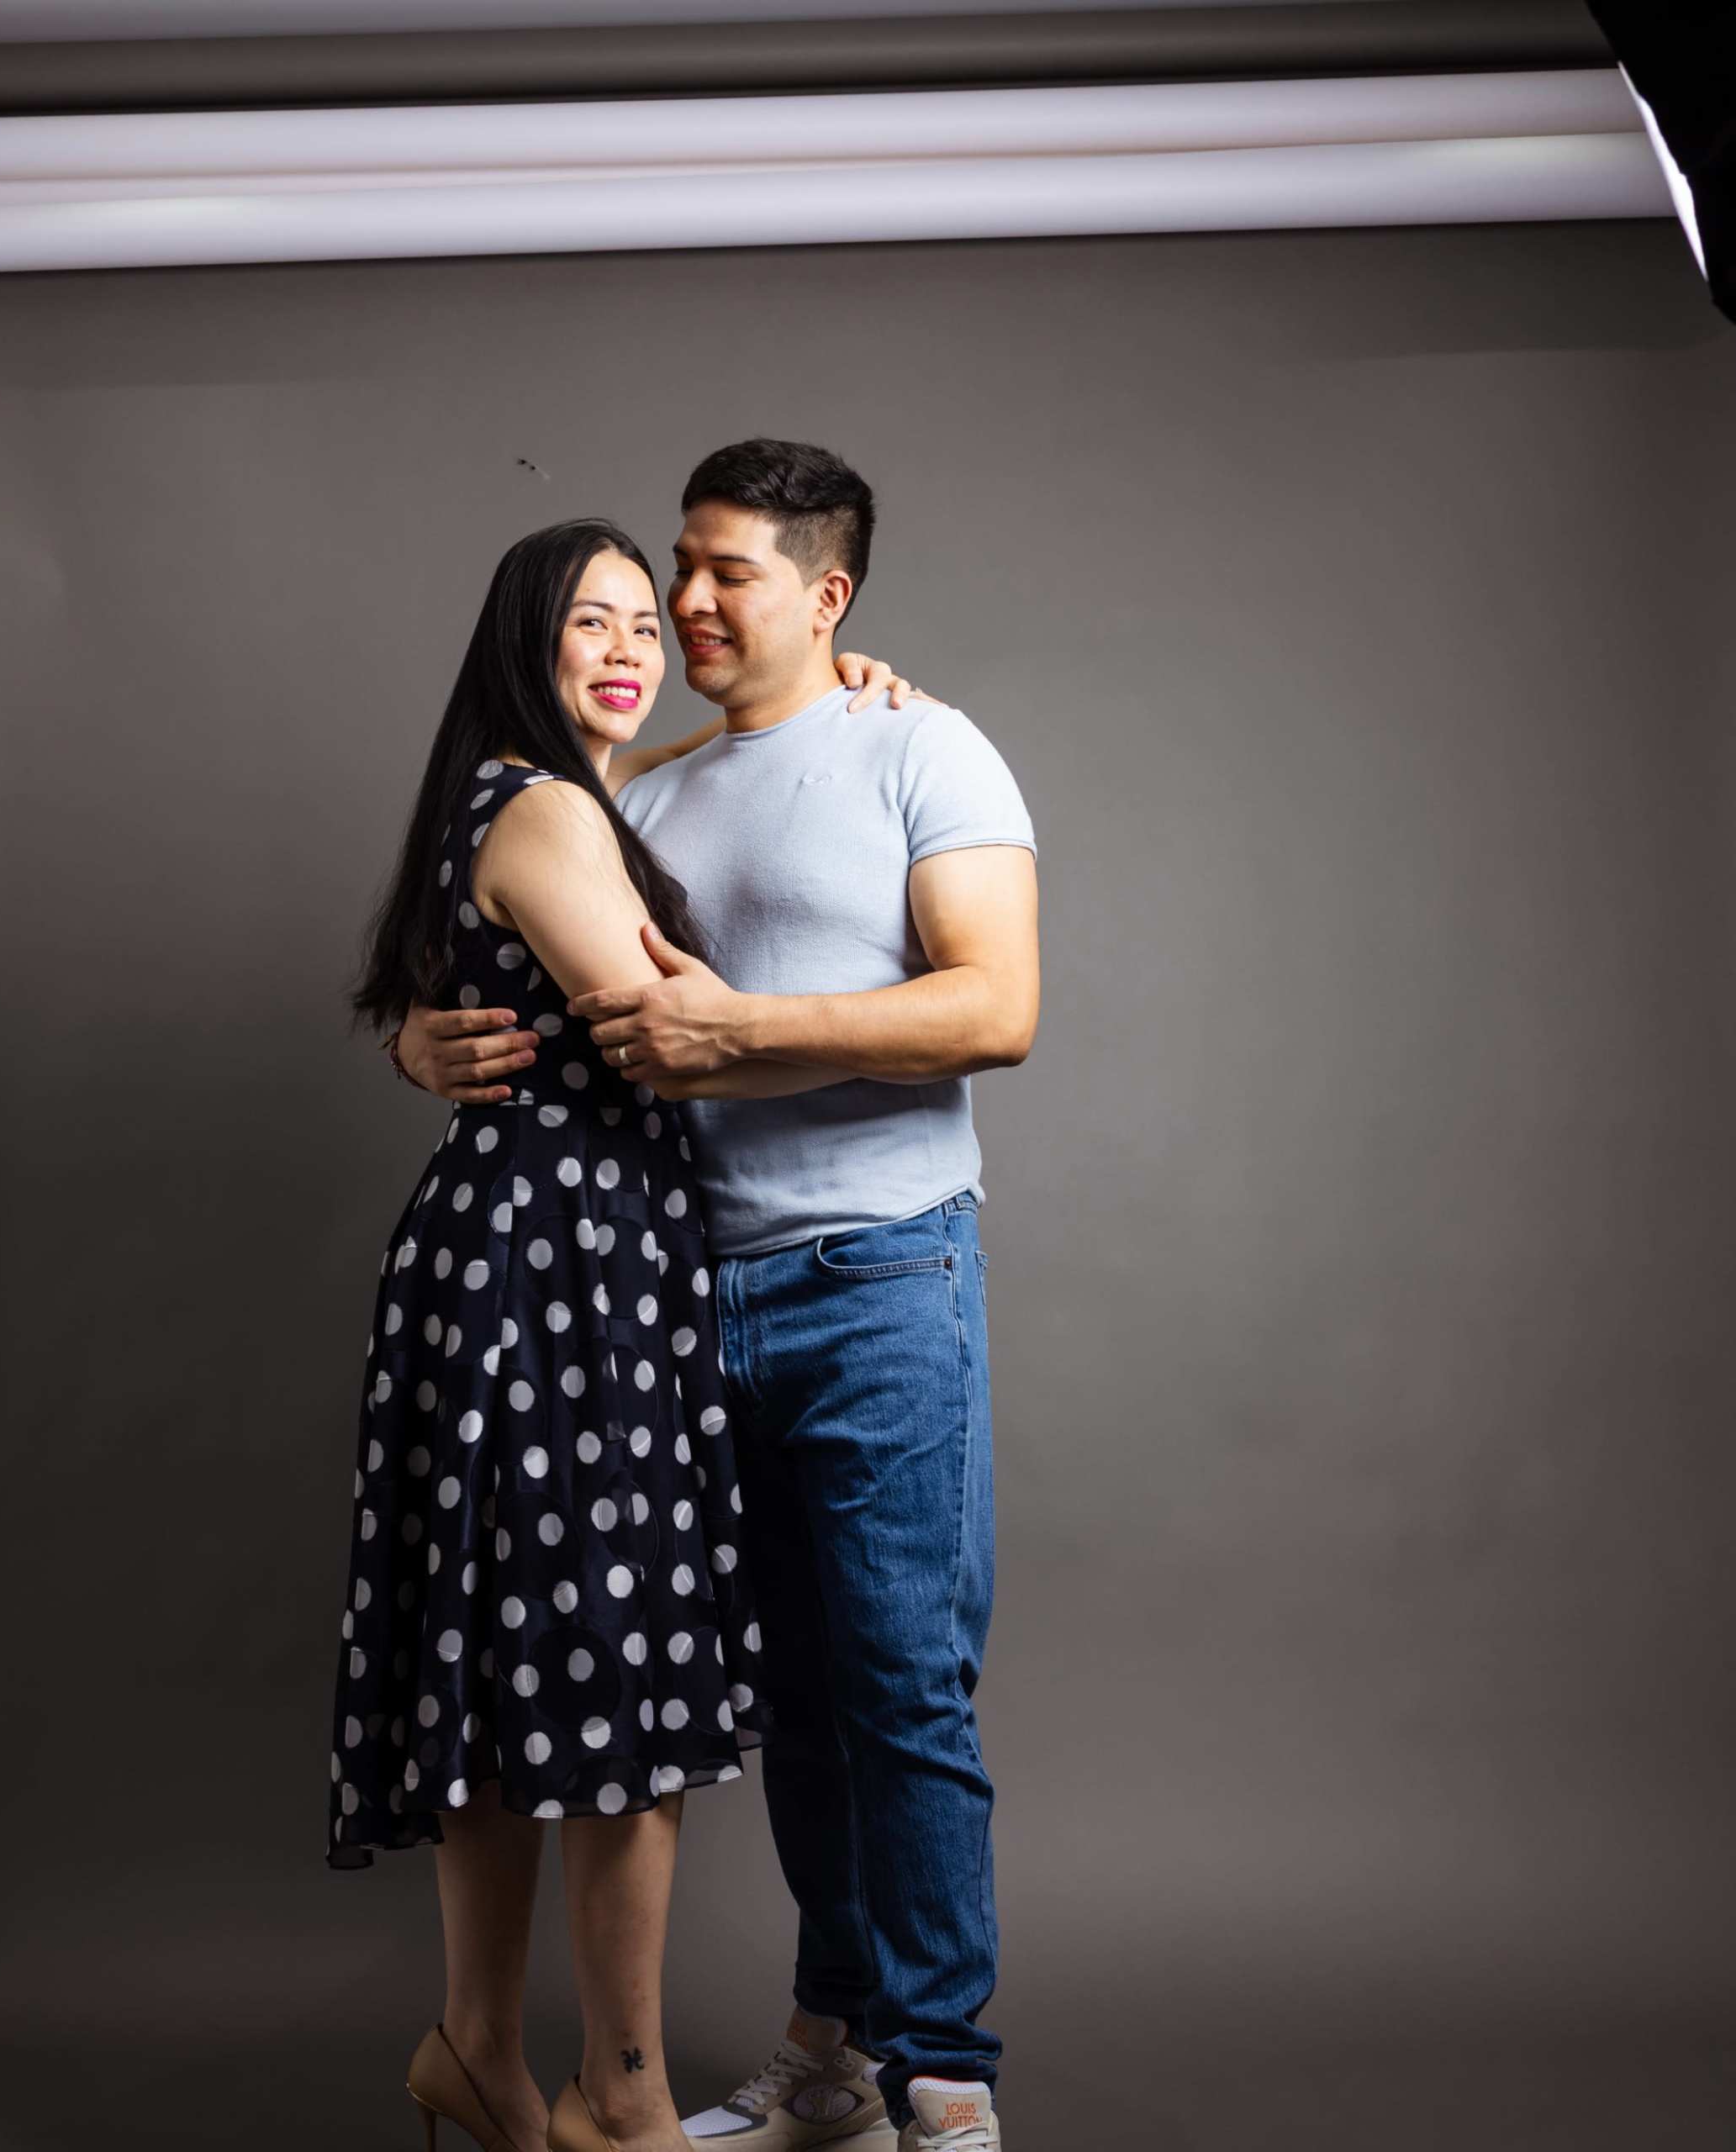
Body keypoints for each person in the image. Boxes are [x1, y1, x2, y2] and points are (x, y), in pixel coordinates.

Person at [402, 442, 1039, 2152]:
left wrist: (735, 1031)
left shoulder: (924, 741)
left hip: (881, 1270)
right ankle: (833, 2052)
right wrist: (415, 1034)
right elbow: (506, 928)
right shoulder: (642, 788)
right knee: (786, 1702)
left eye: (724, 572)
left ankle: (948, 2082)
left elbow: (998, 1005)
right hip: (673, 1304)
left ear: (828, 598)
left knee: (902, 1680)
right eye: (672, 569)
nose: (684, 604)